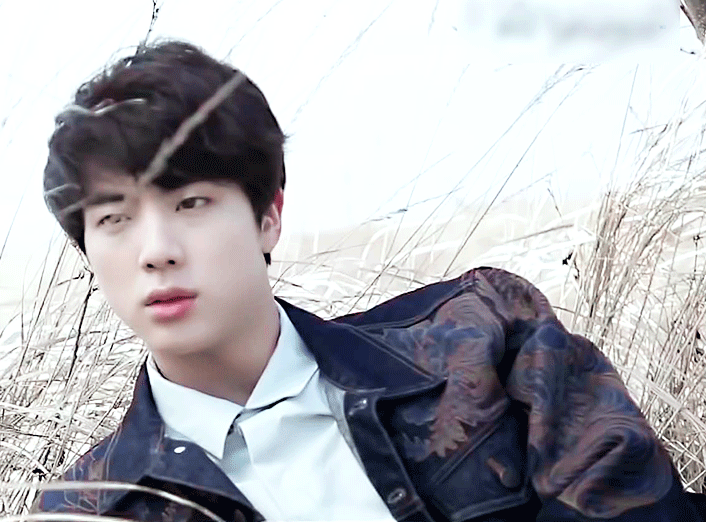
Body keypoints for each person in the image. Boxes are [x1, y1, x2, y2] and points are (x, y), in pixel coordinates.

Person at [35, 40, 705, 522]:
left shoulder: (482, 341)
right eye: (115, 219)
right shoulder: (90, 508)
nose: (156, 252)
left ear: (269, 216)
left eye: (191, 203)